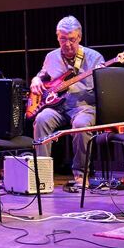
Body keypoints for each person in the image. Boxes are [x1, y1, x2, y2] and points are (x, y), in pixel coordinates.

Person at [30, 15, 105, 187]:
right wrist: (36, 79)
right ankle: (42, 176)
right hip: (58, 106)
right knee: (41, 120)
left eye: (72, 39)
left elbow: (104, 90)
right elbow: (42, 75)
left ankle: (80, 176)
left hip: (83, 106)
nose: (67, 44)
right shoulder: (51, 57)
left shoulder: (94, 58)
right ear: (57, 37)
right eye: (63, 39)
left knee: (81, 125)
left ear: (79, 37)